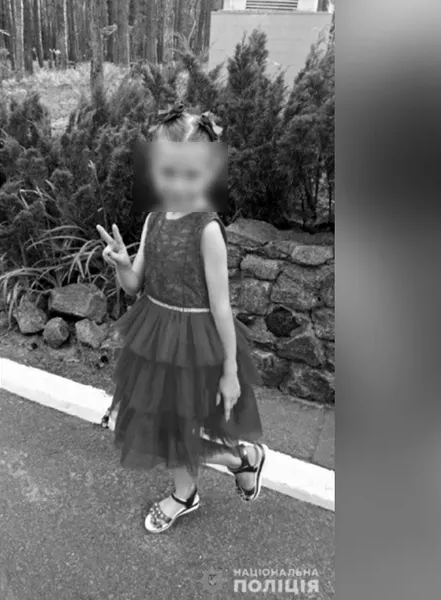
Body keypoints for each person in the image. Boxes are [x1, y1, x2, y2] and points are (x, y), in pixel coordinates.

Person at [95, 103, 267, 534]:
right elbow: (134, 284)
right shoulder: (154, 218)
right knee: (155, 426)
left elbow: (222, 307)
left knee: (177, 431)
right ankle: (197, 486)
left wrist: (230, 372)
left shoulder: (208, 229)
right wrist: (121, 263)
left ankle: (237, 461)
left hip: (194, 344)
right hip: (154, 336)